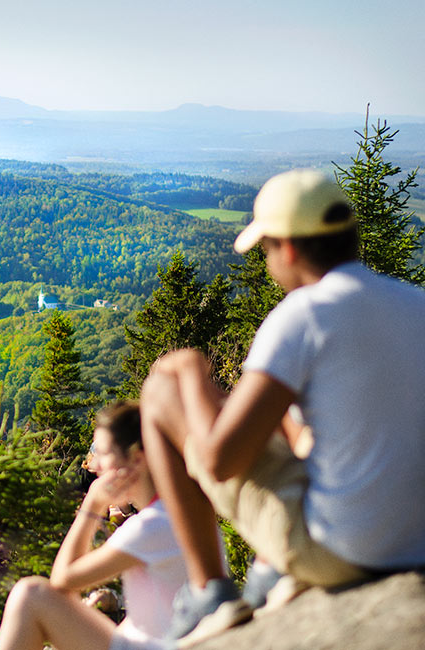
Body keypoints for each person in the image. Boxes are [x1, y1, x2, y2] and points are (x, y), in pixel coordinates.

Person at [138, 169, 425, 646]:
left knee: (160, 393)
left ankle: (209, 593)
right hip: (415, 539)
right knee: (271, 419)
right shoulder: (414, 302)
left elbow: (218, 461)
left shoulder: (305, 313)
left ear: (287, 249)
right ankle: (269, 572)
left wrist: (190, 372)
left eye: (267, 251)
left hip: (347, 550)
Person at [0, 401, 197, 650]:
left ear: (135, 458)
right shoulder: (176, 511)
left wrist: (92, 503)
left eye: (103, 453)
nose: (96, 466)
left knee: (30, 594)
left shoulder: (151, 525)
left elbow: (62, 579)